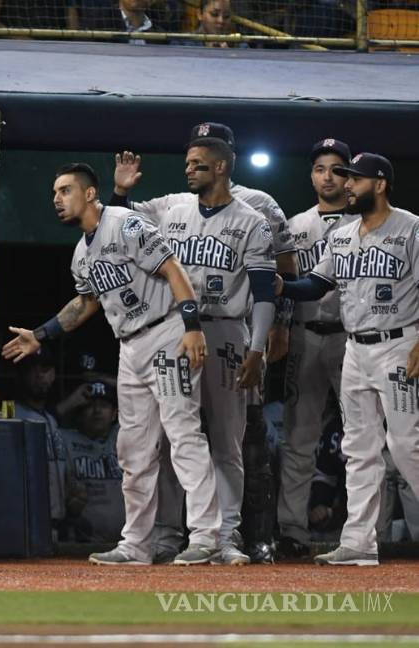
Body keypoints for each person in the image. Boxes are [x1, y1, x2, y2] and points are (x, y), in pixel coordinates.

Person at [3, 162, 220, 566]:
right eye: (54, 193)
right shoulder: (80, 254)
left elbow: (173, 269)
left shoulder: (125, 224)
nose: (56, 199)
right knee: (132, 449)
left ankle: (208, 536)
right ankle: (136, 544)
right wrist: (41, 334)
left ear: (89, 194)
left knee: (183, 434)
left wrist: (192, 326)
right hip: (130, 346)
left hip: (166, 332)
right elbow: (86, 302)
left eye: (65, 190)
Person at [113, 122, 298, 563]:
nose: (188, 170)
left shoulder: (252, 219)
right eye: (187, 163)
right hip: (176, 330)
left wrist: (258, 348)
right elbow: (120, 225)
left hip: (228, 329)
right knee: (173, 436)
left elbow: (264, 291)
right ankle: (168, 534)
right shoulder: (172, 206)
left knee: (227, 440)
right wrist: (119, 192)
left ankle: (225, 537)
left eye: (197, 164)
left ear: (221, 167)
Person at [276, 152, 419, 566]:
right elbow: (316, 284)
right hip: (355, 348)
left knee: (406, 444)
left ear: (380, 184)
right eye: (347, 178)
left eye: (355, 179)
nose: (347, 185)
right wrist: (281, 286)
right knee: (359, 447)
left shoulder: (411, 229)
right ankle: (359, 541)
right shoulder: (342, 235)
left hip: (398, 343)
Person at [276, 138, 354, 559]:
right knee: (299, 437)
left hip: (351, 336)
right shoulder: (295, 225)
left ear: (350, 176)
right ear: (311, 175)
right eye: (320, 168)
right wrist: (281, 329)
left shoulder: (366, 222)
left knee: (362, 438)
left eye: (337, 169)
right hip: (306, 333)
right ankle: (292, 530)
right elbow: (286, 286)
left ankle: (367, 532)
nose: (328, 177)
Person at [58, 379, 126, 546]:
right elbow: (44, 423)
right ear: (79, 413)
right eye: (89, 406)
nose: (97, 411)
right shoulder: (65, 439)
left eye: (104, 405)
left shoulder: (123, 436)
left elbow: (147, 399)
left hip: (126, 542)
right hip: (81, 543)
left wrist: (99, 377)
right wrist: (69, 403)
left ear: (114, 414)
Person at [12, 347, 69, 537]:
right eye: (32, 369)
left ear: (53, 375)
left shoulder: (52, 420)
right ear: (22, 375)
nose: (39, 375)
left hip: (57, 522)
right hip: (27, 522)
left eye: (45, 369)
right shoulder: (12, 416)